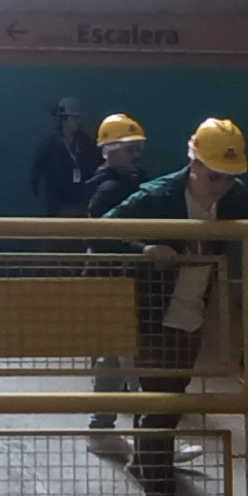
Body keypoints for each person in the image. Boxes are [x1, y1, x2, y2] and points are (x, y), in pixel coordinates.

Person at [98, 119, 248, 496]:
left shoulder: (234, 198)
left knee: (167, 402)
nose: (223, 185)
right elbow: (101, 233)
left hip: (190, 313)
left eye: (230, 177)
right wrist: (145, 249)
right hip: (150, 313)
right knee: (162, 406)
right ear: (193, 164)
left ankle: (147, 470)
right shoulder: (157, 198)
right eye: (214, 176)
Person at [81, 116, 151, 431]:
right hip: (111, 281)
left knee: (115, 355)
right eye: (129, 149)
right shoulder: (108, 189)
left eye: (138, 148)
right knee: (127, 356)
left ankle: (107, 426)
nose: (136, 155)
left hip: (123, 280)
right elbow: (98, 235)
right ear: (108, 150)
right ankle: (147, 432)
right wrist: (140, 249)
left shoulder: (133, 181)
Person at [28, 101, 97, 218]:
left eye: (79, 117)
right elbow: (36, 173)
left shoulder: (87, 143)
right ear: (64, 119)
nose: (79, 122)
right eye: (74, 118)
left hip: (82, 204)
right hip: (58, 206)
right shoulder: (49, 145)